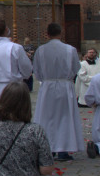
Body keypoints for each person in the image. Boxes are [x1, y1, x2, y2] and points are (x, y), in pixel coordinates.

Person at [31, 23, 83, 161]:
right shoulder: (70, 50)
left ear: (47, 34)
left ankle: (48, 148)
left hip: (48, 86)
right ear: (61, 33)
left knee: (47, 118)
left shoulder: (41, 50)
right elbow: (76, 68)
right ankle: (63, 149)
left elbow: (36, 70)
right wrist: (67, 78)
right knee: (65, 117)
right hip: (64, 86)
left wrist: (46, 79)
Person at [0, 19, 32, 124]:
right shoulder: (15, 47)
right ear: (6, 30)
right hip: (12, 88)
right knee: (13, 119)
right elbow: (27, 69)